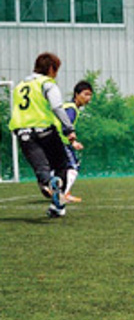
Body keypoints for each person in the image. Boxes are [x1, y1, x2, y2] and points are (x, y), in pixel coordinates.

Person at [8, 52, 77, 218]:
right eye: (56, 69)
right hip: (44, 130)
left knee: (41, 168)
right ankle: (57, 205)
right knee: (62, 165)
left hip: (23, 132)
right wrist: (69, 128)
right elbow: (57, 107)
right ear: (51, 68)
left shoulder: (20, 86)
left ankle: (47, 182)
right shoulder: (47, 84)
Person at [54, 80, 94, 203]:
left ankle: (60, 191)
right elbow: (66, 124)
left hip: (53, 140)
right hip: (61, 141)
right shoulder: (71, 109)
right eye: (85, 94)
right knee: (73, 166)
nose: (88, 98)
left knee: (61, 169)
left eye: (90, 95)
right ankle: (64, 195)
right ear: (76, 94)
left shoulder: (67, 106)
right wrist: (73, 142)